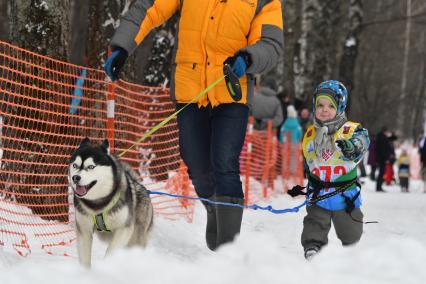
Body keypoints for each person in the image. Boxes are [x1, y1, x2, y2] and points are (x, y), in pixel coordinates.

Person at [104, 0, 284, 251]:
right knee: (194, 159)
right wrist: (122, 47)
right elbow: (150, 8)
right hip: (190, 88)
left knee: (225, 161)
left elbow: (271, 44)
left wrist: (248, 56)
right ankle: (213, 205)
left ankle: (228, 249)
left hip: (232, 90)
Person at [287, 80, 370, 260]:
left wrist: (352, 146)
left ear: (340, 107)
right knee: (314, 222)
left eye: (331, 106)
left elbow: (363, 141)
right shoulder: (310, 134)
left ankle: (351, 250)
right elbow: (309, 160)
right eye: (320, 105)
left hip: (345, 193)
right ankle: (313, 249)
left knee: (351, 231)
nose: (325, 109)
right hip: (319, 192)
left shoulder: (350, 130)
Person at [375, 127, 394, 192]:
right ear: (385, 131)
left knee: (381, 172)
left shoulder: (380, 137)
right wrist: (386, 158)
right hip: (382, 159)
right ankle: (379, 187)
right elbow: (383, 149)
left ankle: (379, 186)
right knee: (381, 172)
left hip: (380, 158)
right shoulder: (383, 138)